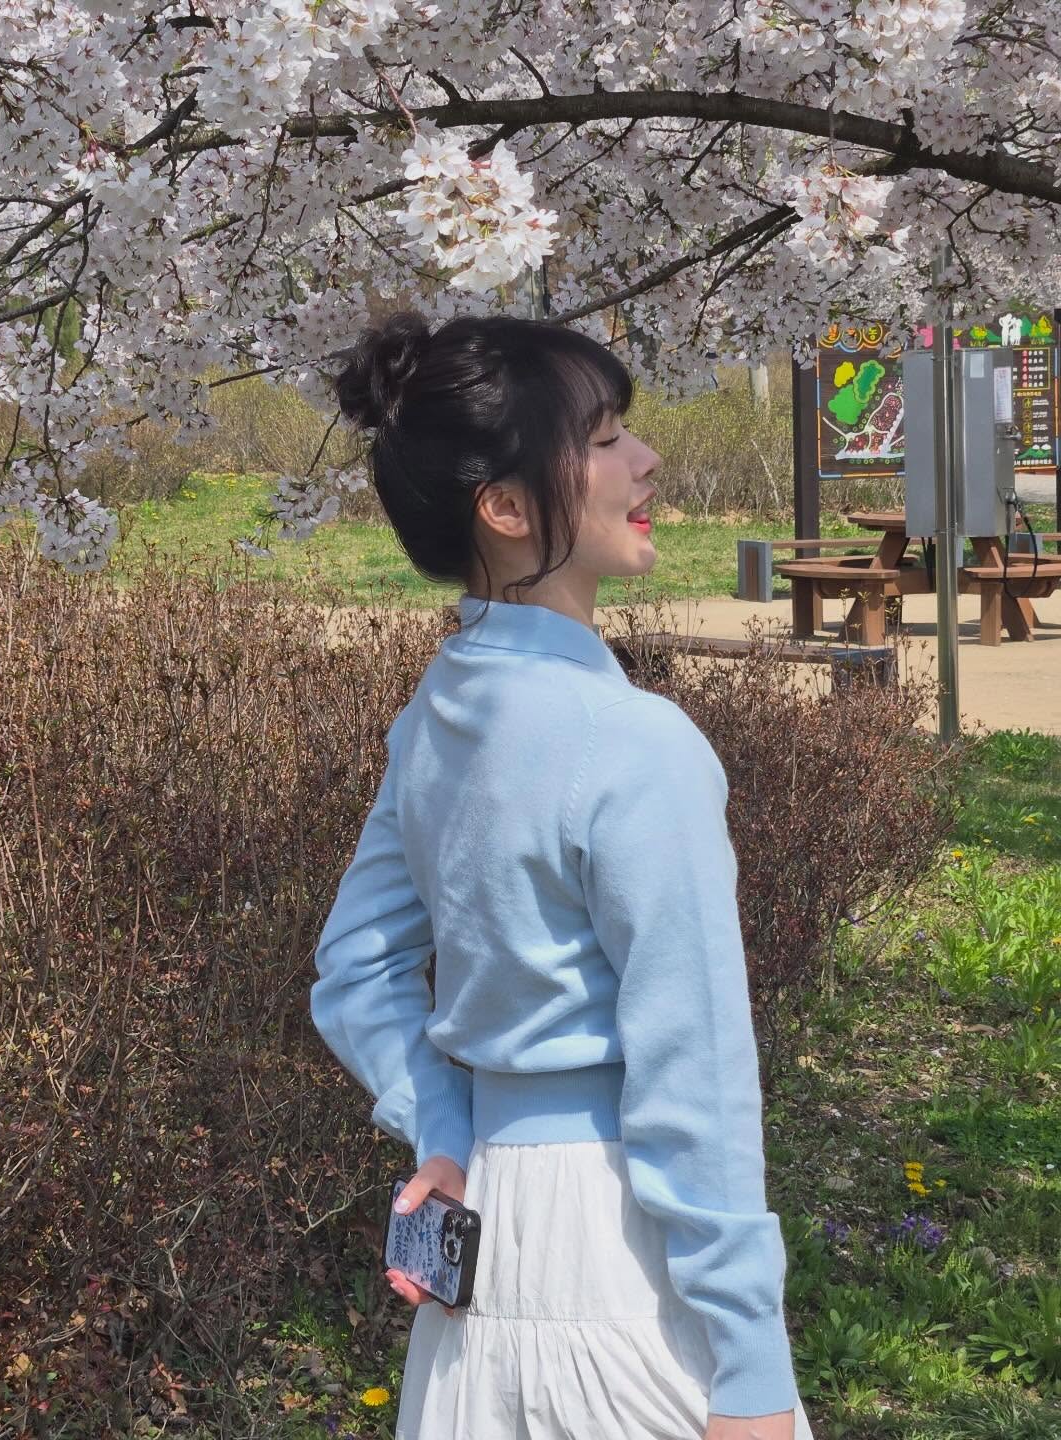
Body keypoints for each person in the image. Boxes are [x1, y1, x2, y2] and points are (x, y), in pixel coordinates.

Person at [308, 311, 814, 1440]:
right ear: (506, 506)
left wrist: (442, 1126)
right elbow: (694, 1073)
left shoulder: (437, 717)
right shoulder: (635, 744)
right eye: (604, 440)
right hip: (624, 1261)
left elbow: (356, 970)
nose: (646, 461)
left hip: (480, 1250)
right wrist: (748, 1368)